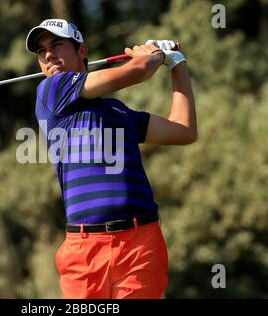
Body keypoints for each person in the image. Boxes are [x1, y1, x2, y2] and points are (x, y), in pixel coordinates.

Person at [25, 19, 197, 299]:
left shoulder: (119, 112)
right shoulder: (50, 92)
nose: (48, 55)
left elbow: (184, 130)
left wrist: (177, 65)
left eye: (56, 45)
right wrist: (154, 55)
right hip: (84, 250)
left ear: (82, 51)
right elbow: (139, 70)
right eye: (41, 51)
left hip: (140, 244)